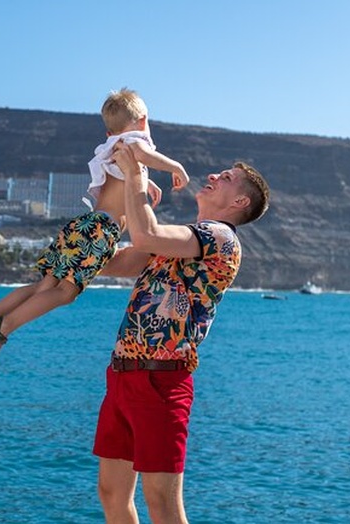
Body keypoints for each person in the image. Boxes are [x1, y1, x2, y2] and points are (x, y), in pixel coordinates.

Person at [92, 142, 270, 523]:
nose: (213, 176)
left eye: (226, 178)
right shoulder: (185, 238)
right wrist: (78, 249)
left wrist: (137, 172)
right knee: (111, 492)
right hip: (123, 374)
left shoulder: (221, 238)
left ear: (240, 202)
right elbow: (126, 260)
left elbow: (147, 237)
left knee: (162, 501)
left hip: (162, 381)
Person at [0, 88, 190, 372]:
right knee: (66, 293)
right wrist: (176, 167)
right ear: (143, 121)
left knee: (45, 287)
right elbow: (144, 153)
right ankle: (2, 329)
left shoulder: (114, 147)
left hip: (83, 226)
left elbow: (124, 175)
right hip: (100, 231)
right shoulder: (135, 143)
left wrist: (146, 182)